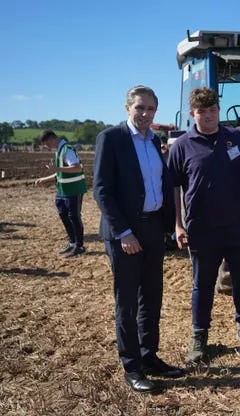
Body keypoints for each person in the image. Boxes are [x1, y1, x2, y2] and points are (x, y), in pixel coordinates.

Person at [93, 85, 183, 393]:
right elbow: (102, 190)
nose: (145, 114)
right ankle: (131, 367)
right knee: (127, 302)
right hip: (125, 233)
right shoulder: (112, 139)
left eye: (150, 110)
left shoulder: (153, 140)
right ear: (127, 108)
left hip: (152, 228)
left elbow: (159, 183)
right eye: (139, 108)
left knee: (152, 297)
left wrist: (167, 225)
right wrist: (124, 232)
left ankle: (149, 356)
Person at [167, 87, 240, 365]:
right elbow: (174, 188)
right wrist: (178, 225)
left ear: (218, 111)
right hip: (202, 228)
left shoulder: (234, 138)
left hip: (238, 225)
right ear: (192, 114)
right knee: (203, 284)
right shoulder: (182, 145)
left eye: (213, 111)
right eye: (202, 112)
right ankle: (199, 337)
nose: (208, 117)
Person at [34, 130, 87, 257]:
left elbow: (77, 167)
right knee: (64, 215)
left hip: (73, 189)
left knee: (74, 217)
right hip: (63, 190)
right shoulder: (59, 150)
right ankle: (72, 243)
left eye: (46, 144)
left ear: (52, 139)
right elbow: (60, 173)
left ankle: (79, 246)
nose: (47, 147)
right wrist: (45, 179)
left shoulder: (67, 149)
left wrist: (56, 168)